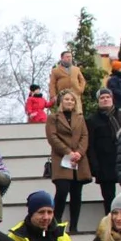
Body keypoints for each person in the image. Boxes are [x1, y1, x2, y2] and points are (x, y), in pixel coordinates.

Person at [46, 89, 92, 233]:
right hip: (61, 159)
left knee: (76, 194)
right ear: (61, 101)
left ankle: (74, 226)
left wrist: (79, 152)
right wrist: (68, 152)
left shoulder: (80, 118)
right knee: (62, 190)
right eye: (67, 99)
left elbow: (85, 136)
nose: (70, 102)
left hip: (78, 160)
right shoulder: (53, 118)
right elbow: (52, 137)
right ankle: (56, 222)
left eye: (72, 100)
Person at [86, 88, 121, 214]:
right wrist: (94, 165)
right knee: (108, 197)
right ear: (98, 101)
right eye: (102, 98)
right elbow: (90, 144)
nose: (105, 100)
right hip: (104, 164)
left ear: (112, 98)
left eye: (107, 97)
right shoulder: (92, 120)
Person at [48, 51, 87, 115]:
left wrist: (80, 90)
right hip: (62, 95)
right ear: (62, 58)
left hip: (75, 94)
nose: (69, 58)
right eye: (67, 57)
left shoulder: (76, 69)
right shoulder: (55, 70)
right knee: (62, 114)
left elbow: (82, 80)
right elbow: (52, 83)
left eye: (71, 57)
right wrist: (53, 96)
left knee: (78, 113)